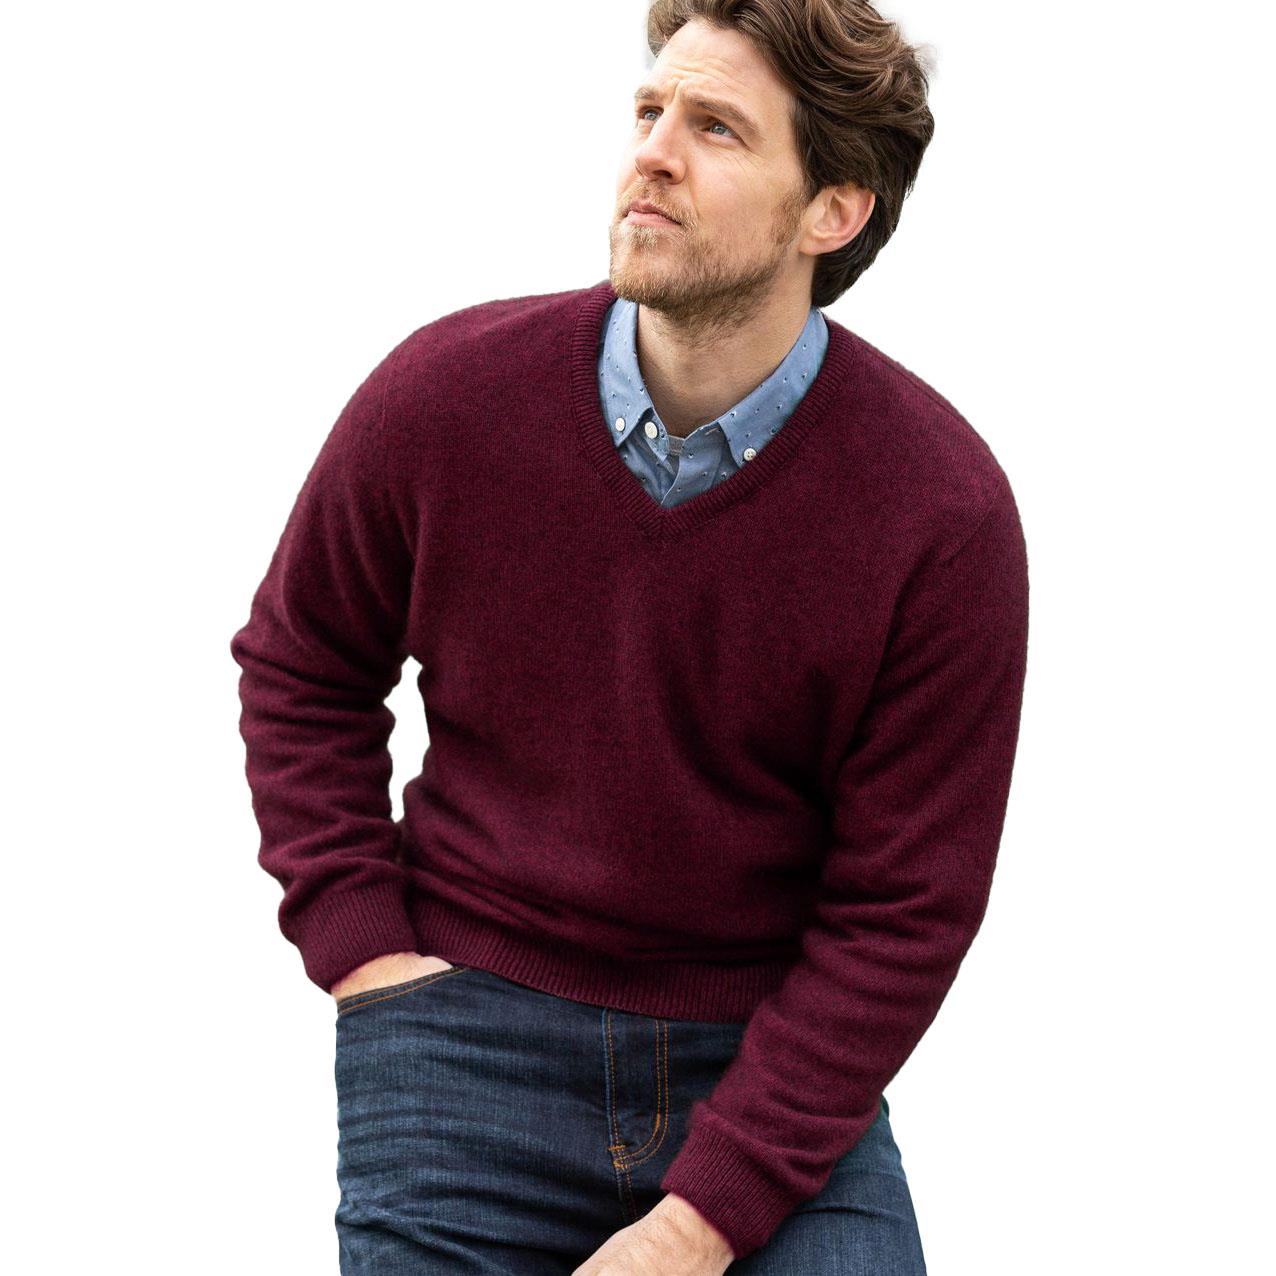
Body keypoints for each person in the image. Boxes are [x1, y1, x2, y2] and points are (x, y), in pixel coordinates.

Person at [229, 2, 1030, 1271]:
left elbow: (904, 905)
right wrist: (360, 948)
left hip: (762, 1064)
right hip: (462, 1037)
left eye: (715, 129)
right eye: (650, 110)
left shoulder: (940, 512)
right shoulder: (443, 398)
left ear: (832, 210)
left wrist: (701, 1223)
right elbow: (302, 660)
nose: (650, 151)